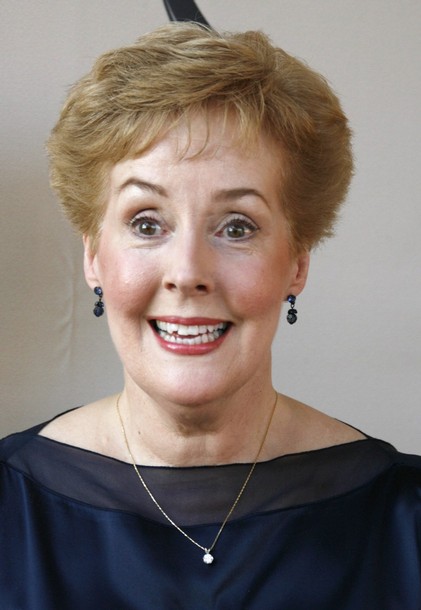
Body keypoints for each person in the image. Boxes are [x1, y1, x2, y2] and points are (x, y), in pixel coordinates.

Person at [1, 22, 420, 609]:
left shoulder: (407, 523)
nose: (187, 271)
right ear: (94, 257)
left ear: (297, 264)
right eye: (147, 224)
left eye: (237, 227)